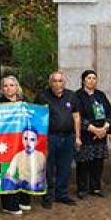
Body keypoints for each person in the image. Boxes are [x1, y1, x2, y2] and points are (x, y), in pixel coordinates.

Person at [34, 71, 79, 207]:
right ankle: (47, 196)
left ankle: (62, 194)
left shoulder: (71, 95)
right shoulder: (42, 96)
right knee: (48, 169)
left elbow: (76, 117)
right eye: (55, 81)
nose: (58, 84)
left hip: (68, 137)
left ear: (64, 83)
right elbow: (36, 117)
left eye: (60, 81)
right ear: (50, 83)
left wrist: (78, 137)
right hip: (49, 138)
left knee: (65, 167)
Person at [0, 75, 33, 214]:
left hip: (23, 142)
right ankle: (9, 205)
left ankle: (23, 199)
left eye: (11, 85)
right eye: (5, 85)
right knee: (9, 170)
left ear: (17, 87)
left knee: (23, 170)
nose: (8, 88)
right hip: (6, 143)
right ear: (2, 89)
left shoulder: (25, 101)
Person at [74, 69, 111, 198]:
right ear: (83, 80)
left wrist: (105, 127)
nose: (92, 81)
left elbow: (110, 112)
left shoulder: (100, 95)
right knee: (83, 164)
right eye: (89, 78)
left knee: (98, 163)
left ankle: (96, 188)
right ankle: (82, 189)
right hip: (86, 135)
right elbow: (77, 115)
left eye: (94, 78)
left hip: (101, 136)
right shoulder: (77, 96)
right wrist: (93, 129)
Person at [4, 127, 47, 193]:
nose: (28, 143)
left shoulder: (41, 156)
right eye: (25, 139)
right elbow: (8, 174)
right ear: (22, 140)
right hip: (23, 187)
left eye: (32, 139)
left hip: (38, 187)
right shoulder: (18, 156)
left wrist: (39, 184)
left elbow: (45, 175)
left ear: (37, 142)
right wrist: (17, 182)